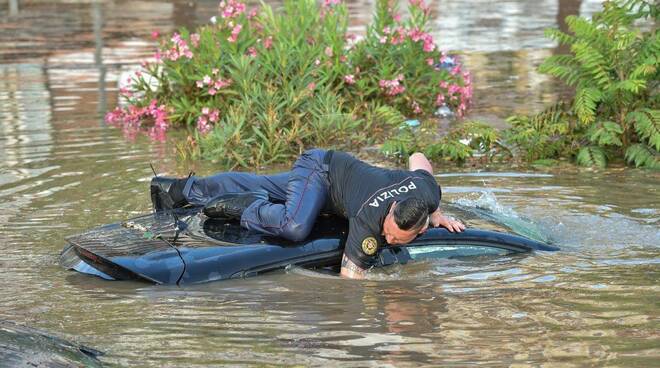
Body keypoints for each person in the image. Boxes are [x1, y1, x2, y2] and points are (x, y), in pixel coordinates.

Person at [150, 149, 465, 279]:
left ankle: (175, 190)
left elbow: (418, 157)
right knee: (295, 226)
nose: (385, 238)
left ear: (420, 228)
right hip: (320, 170)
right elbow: (350, 279)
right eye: (387, 232)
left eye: (394, 240)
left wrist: (435, 212)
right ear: (392, 210)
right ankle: (247, 207)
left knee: (260, 184)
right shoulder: (369, 222)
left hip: (334, 185)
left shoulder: (426, 192)